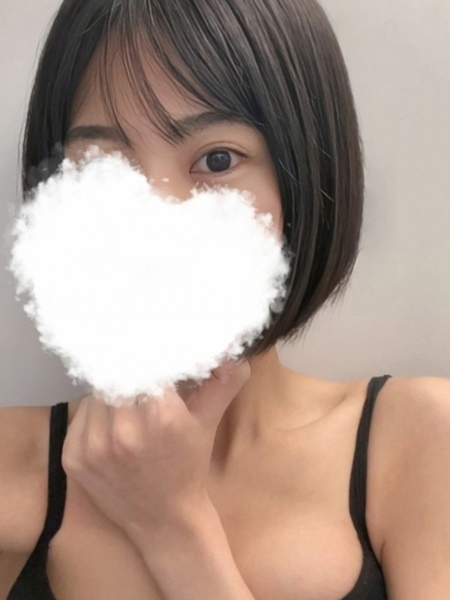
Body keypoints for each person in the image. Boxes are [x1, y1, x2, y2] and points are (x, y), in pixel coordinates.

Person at [1, 0, 449, 598]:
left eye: (216, 160)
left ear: (301, 181)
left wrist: (172, 525)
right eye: (103, 165)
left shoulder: (420, 440)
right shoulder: (12, 465)